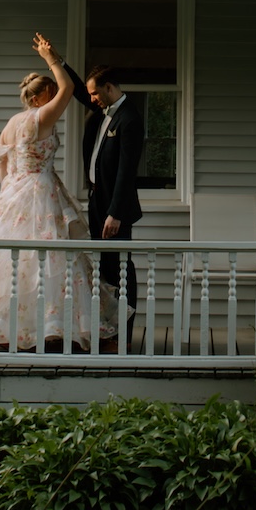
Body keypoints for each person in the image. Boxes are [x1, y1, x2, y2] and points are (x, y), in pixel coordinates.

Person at [0, 35, 115, 352]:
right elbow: (69, 89)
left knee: (13, 261)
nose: (53, 98)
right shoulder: (40, 117)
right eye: (49, 93)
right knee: (46, 259)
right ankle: (45, 329)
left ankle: (16, 328)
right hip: (41, 190)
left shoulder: (12, 123)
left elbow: (2, 161)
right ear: (38, 98)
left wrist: (8, 190)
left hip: (14, 190)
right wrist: (51, 58)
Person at [82, 64, 145, 339]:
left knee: (120, 267)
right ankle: (107, 331)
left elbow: (127, 171)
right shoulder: (103, 112)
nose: (92, 99)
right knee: (103, 268)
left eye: (95, 93)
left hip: (114, 210)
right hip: (97, 201)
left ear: (109, 87)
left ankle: (125, 335)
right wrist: (57, 62)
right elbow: (77, 93)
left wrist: (115, 213)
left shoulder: (129, 118)